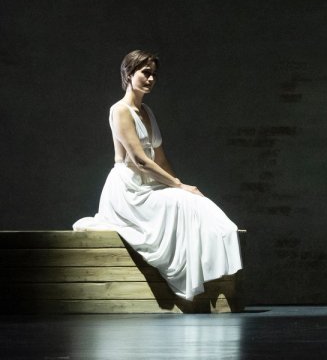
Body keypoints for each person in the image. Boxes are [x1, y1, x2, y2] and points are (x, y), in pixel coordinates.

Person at [74, 50, 243, 303]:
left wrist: (182, 186)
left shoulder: (147, 112)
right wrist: (176, 185)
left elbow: (160, 158)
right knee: (183, 203)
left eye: (154, 74)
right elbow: (140, 161)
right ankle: (194, 280)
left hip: (150, 186)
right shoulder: (119, 111)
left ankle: (216, 272)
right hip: (128, 191)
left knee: (194, 202)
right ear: (129, 74)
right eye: (145, 73)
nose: (151, 79)